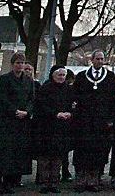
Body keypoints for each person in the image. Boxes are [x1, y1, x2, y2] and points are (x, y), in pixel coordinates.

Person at [0, 52, 35, 194]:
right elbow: (2, 98)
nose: (20, 65)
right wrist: (15, 111)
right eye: (17, 63)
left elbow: (32, 99)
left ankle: (10, 181)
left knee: (16, 152)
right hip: (7, 120)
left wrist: (27, 112)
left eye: (22, 63)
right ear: (12, 64)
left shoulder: (28, 81)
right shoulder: (5, 79)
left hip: (21, 122)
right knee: (3, 151)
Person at [72, 50, 115, 192]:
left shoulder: (110, 77)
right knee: (82, 150)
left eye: (102, 59)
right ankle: (81, 178)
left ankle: (94, 179)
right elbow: (75, 97)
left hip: (101, 122)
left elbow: (113, 100)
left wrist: (110, 119)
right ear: (91, 60)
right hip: (84, 121)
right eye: (97, 59)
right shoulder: (81, 76)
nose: (100, 61)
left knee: (97, 150)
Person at [32, 65, 73, 193]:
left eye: (63, 75)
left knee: (58, 157)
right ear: (53, 75)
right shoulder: (45, 88)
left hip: (62, 129)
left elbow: (74, 104)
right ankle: (44, 182)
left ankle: (55, 182)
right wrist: (55, 113)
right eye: (59, 75)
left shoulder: (68, 89)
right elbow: (40, 106)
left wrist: (70, 113)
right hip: (46, 128)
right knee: (45, 157)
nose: (61, 78)